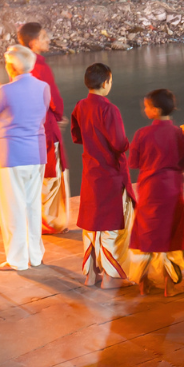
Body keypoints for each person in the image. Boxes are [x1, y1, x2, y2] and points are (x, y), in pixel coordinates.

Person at [0, 45, 49, 271]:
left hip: (10, 155)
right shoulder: (43, 87)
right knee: (33, 206)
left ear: (10, 66)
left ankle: (17, 260)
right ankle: (35, 255)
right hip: (36, 153)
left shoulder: (4, 91)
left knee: (12, 207)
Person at [71, 63, 133, 288]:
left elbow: (77, 136)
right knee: (111, 224)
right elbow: (119, 143)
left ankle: (90, 274)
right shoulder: (109, 109)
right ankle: (111, 277)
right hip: (110, 172)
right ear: (106, 82)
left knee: (91, 224)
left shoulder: (80, 106)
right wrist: (129, 144)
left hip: (90, 171)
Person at [127, 88, 184, 296]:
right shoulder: (179, 134)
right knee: (171, 235)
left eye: (146, 106)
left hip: (148, 190)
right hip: (172, 190)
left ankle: (143, 282)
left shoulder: (141, 134)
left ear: (155, 110)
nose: (145, 110)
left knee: (144, 235)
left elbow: (134, 162)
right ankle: (170, 285)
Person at [17, 22, 69, 235]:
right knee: (51, 172)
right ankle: (51, 222)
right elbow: (52, 97)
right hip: (45, 126)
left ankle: (37, 218)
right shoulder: (39, 66)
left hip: (27, 127)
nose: (48, 39)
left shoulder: (17, 65)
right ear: (33, 42)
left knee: (37, 172)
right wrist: (57, 115)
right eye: (44, 36)